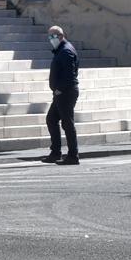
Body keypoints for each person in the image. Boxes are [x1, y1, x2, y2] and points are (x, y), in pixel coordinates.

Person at [42, 25, 80, 165]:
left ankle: (72, 155)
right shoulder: (61, 50)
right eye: (49, 36)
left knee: (67, 123)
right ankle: (56, 152)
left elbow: (70, 76)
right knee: (52, 119)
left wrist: (60, 89)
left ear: (61, 36)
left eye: (53, 36)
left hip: (66, 93)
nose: (51, 39)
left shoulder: (66, 51)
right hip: (61, 93)